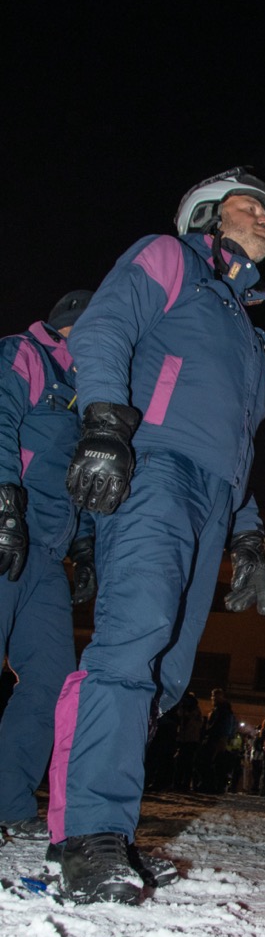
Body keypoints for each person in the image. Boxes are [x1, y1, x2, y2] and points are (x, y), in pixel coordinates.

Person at [47, 167, 265, 902]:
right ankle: (90, 834)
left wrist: (248, 537)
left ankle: (91, 817)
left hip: (214, 496)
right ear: (207, 215)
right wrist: (104, 422)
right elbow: (104, 326)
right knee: (132, 640)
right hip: (153, 466)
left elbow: (241, 442)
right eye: (250, 207)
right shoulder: (171, 258)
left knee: (168, 675)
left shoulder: (252, 336)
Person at [0, 291, 96, 841]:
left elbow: (72, 479)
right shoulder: (24, 354)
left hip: (45, 555)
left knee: (53, 681)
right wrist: (4, 505)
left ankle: (9, 802)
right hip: (8, 529)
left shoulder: (87, 392)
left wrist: (82, 545)